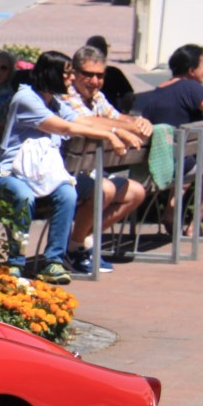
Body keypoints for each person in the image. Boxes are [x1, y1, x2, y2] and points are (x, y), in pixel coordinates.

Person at [0, 51, 138, 285]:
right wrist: (112, 136)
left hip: (43, 174)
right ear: (51, 73)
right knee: (24, 196)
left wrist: (117, 131)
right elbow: (65, 128)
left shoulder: (55, 102)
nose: (70, 78)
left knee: (68, 192)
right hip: (11, 173)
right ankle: (16, 262)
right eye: (66, 73)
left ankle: (53, 262)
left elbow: (83, 121)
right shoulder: (25, 98)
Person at [61, 47, 152, 274]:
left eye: (100, 76)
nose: (94, 81)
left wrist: (140, 122)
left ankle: (83, 241)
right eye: (88, 74)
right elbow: (87, 121)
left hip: (91, 172)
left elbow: (118, 117)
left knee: (136, 192)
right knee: (105, 189)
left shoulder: (98, 97)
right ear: (75, 72)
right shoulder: (66, 96)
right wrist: (126, 127)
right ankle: (73, 250)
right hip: (66, 174)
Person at [134, 43, 203, 236]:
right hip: (180, 167)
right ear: (191, 70)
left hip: (156, 165)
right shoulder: (190, 86)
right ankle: (194, 225)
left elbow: (176, 106)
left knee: (185, 150)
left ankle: (171, 213)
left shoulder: (157, 92)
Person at [83, 35, 135, 112]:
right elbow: (129, 96)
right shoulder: (114, 72)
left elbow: (128, 95)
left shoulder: (79, 72)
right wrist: (125, 111)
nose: (96, 81)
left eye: (100, 76)